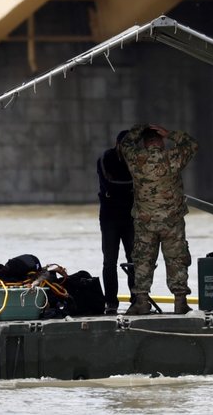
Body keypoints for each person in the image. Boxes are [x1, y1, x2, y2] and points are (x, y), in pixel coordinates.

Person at [119, 123, 198, 315]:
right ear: (161, 140)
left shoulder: (136, 158)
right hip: (172, 221)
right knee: (176, 260)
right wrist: (170, 132)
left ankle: (142, 302)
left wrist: (140, 129)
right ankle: (180, 303)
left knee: (143, 260)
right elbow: (192, 144)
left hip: (145, 222)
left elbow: (125, 143)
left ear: (145, 142)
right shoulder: (172, 157)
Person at [97, 130, 135, 315]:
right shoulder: (106, 158)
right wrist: (133, 186)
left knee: (134, 260)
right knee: (109, 261)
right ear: (118, 143)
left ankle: (136, 300)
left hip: (131, 217)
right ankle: (111, 302)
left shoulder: (137, 160)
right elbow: (111, 183)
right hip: (110, 218)